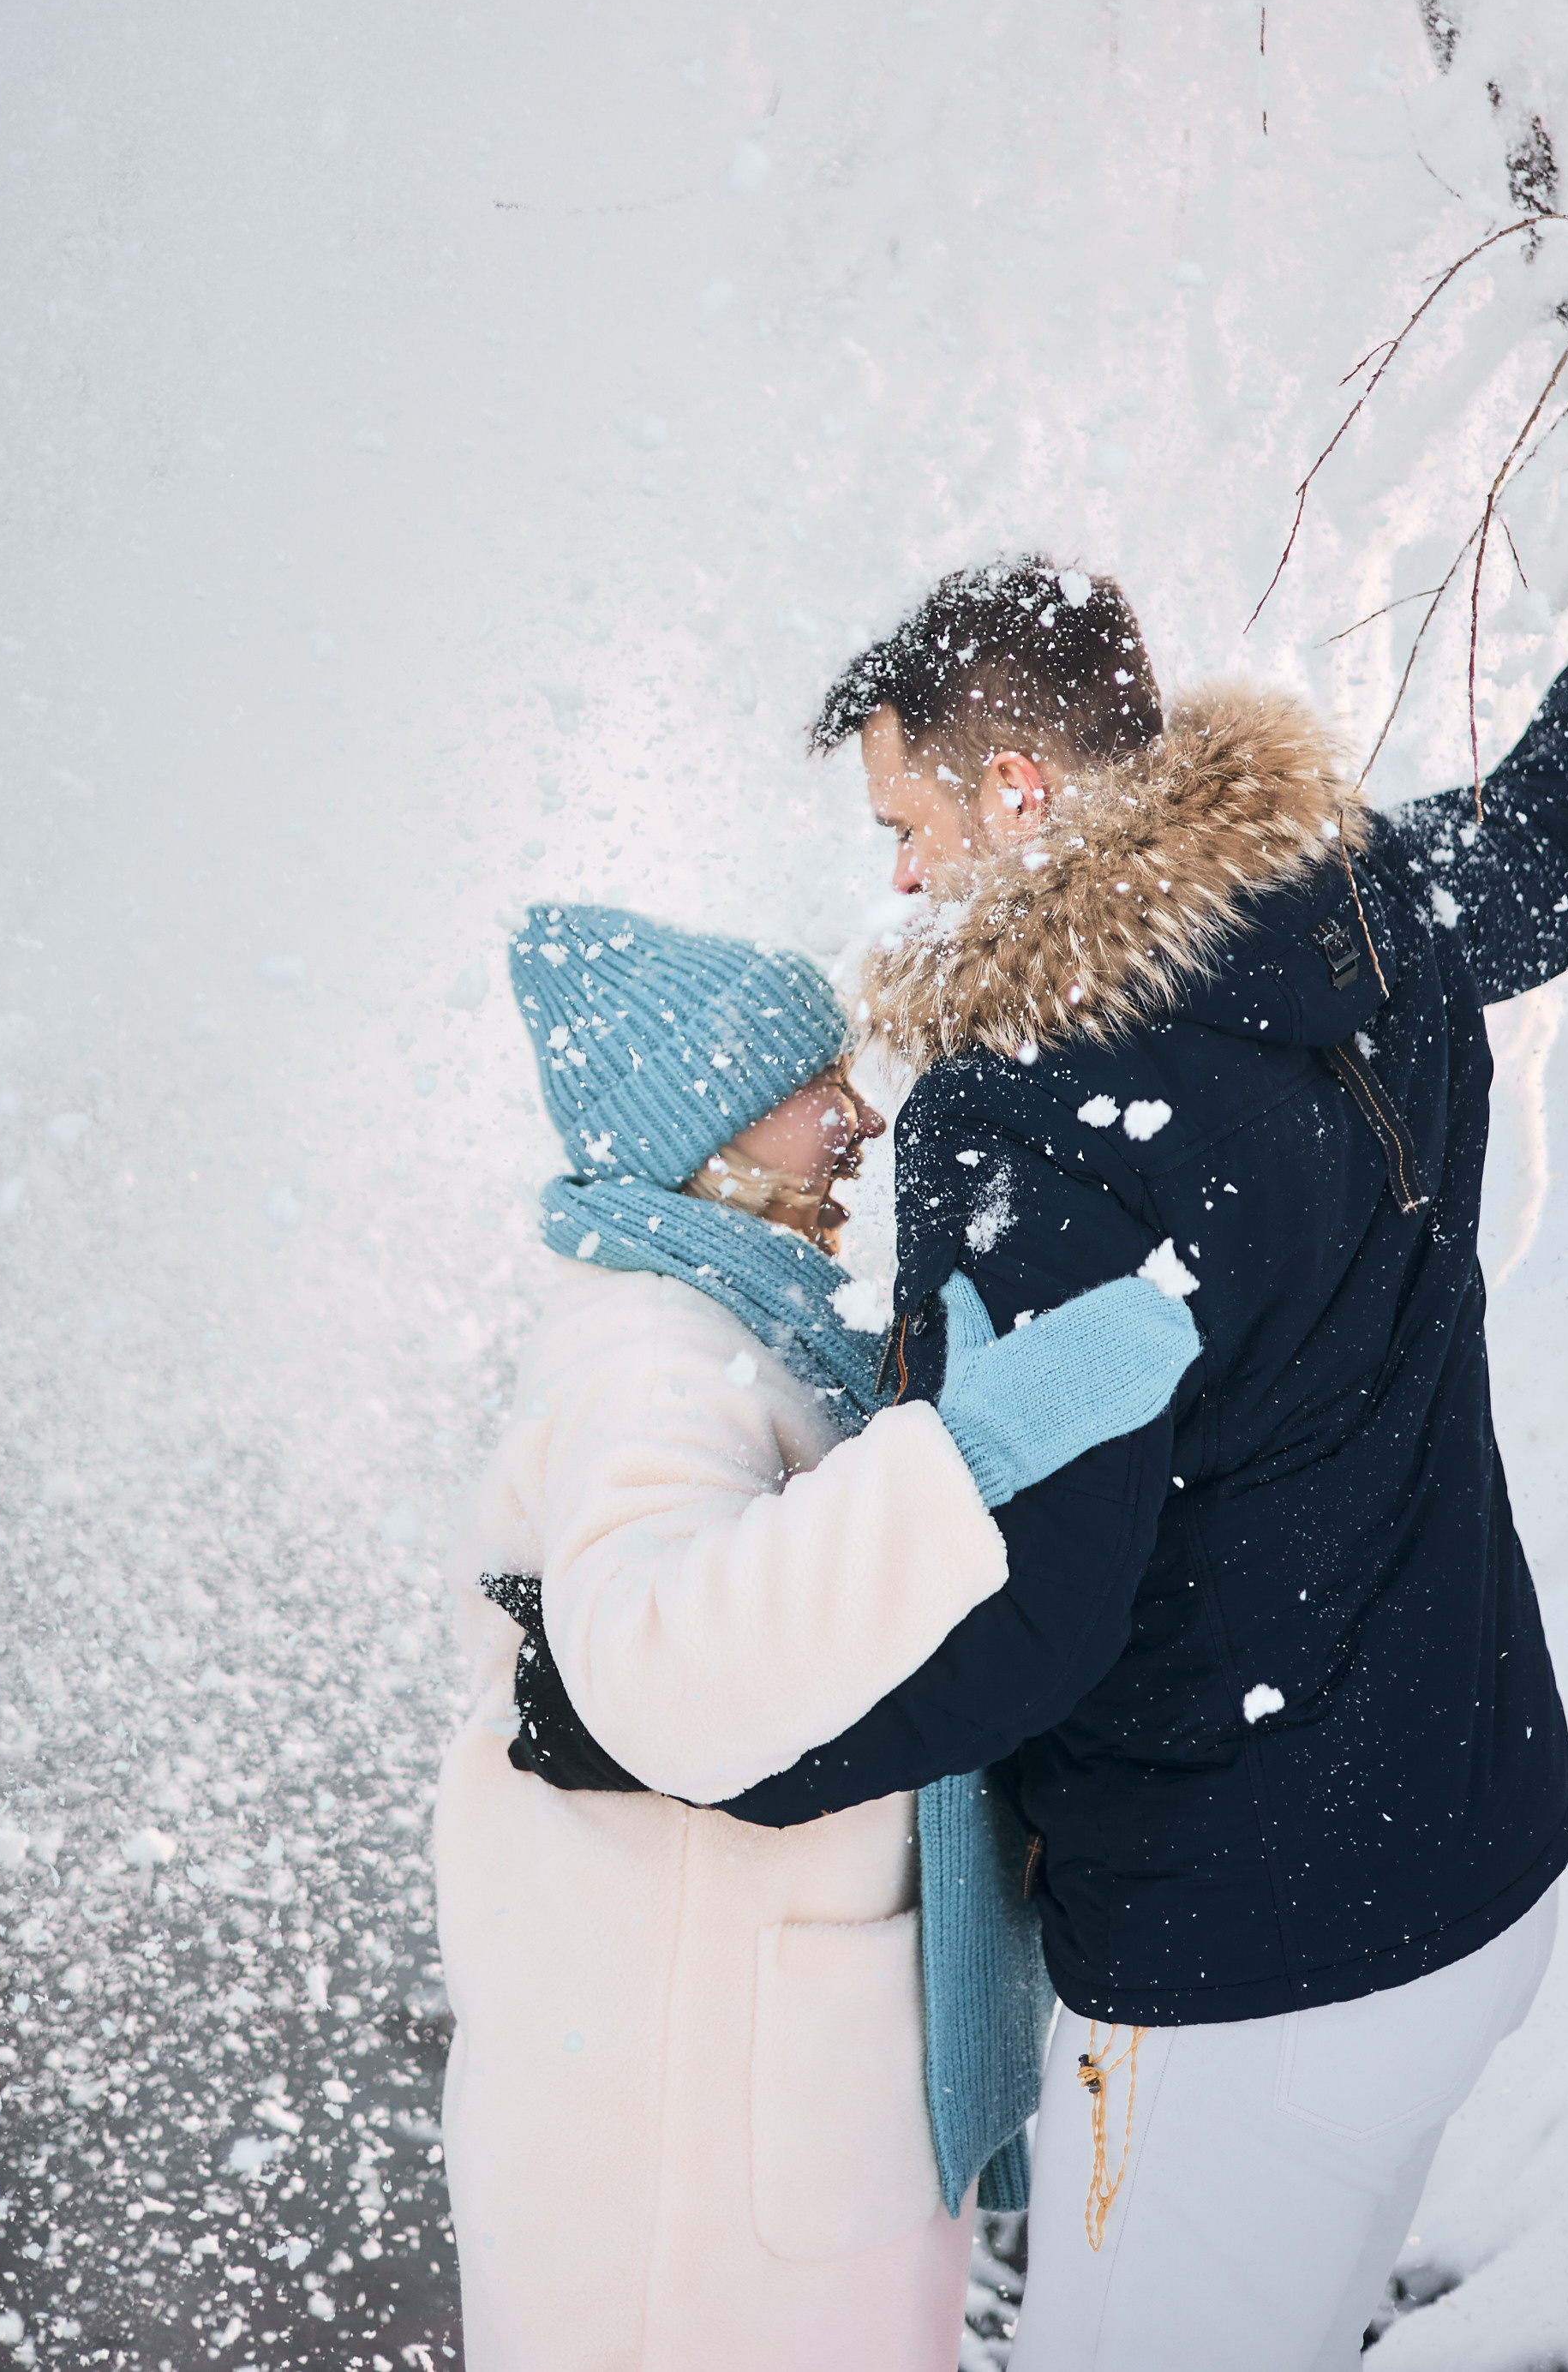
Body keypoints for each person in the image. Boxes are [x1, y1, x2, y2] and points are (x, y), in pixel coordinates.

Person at [514, 504, 1568, 2370]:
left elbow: (1023, 1612)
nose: (907, 884)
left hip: (1246, 1974)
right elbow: (1554, 847)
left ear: (1018, 788)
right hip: (1482, 1860)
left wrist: (686, 1742)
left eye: (909, 829)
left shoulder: (1022, 1121)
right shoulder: (1360, 907)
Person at [433, 905, 1199, 2372]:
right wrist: (964, 1453)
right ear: (701, 1128)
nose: (856, 1116)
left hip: (757, 2093)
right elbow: (663, 1674)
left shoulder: (742, 1318)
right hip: (693, 2145)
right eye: (806, 1089)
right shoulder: (652, 1360)